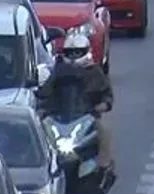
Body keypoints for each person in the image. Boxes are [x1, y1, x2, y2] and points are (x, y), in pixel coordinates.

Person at [37, 32, 116, 170]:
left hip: (86, 118)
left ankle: (104, 166)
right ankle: (41, 165)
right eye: (70, 53)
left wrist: (102, 106)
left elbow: (107, 95)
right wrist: (43, 108)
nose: (73, 56)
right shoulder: (59, 70)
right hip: (59, 118)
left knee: (104, 132)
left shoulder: (94, 72)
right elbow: (45, 93)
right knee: (38, 133)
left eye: (77, 52)